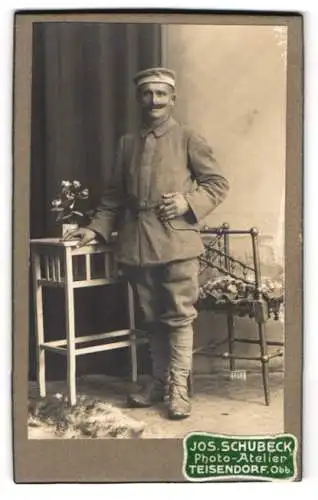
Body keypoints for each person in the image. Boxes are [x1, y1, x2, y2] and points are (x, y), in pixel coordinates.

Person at [64, 67, 229, 420]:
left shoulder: (188, 137)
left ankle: (178, 387)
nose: (153, 100)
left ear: (172, 99)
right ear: (139, 99)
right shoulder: (127, 143)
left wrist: (188, 203)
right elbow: (112, 198)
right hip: (137, 244)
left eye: (161, 94)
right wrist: (94, 229)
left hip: (176, 243)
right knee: (151, 318)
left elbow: (217, 184)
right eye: (146, 94)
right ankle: (157, 381)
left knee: (179, 317)